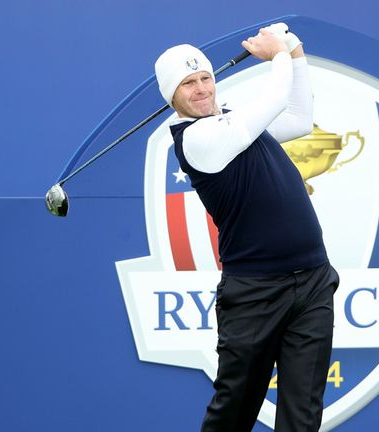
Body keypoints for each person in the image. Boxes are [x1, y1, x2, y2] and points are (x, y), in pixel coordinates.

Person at [154, 24, 339, 432]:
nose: (201, 89)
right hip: (255, 292)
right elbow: (273, 101)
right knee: (235, 411)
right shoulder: (197, 140)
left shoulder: (235, 123)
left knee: (303, 413)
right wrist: (276, 56)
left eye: (205, 78)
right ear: (172, 97)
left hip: (312, 281)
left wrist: (295, 53)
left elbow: (299, 118)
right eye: (188, 84)